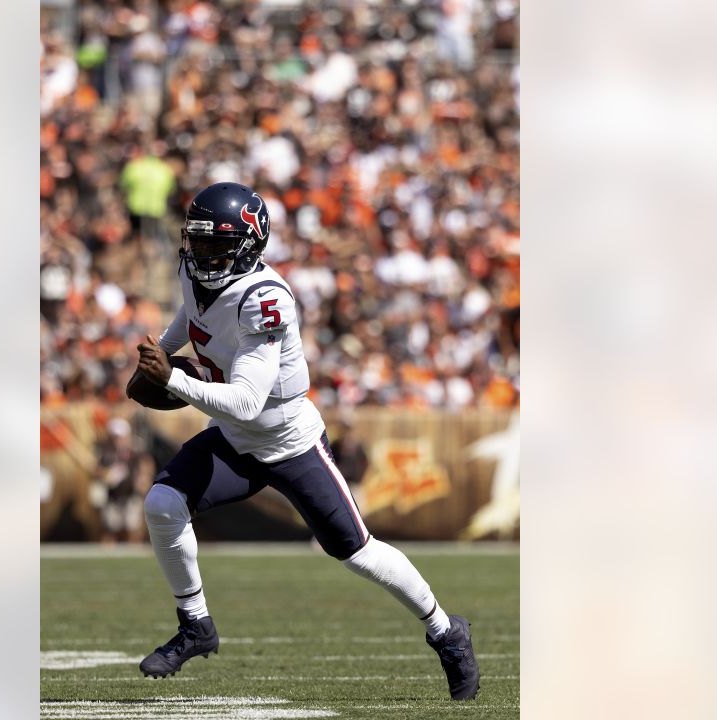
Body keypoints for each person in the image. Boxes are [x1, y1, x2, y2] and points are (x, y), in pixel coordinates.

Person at [132, 182, 480, 700]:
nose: (201, 254)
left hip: (286, 440)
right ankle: (196, 626)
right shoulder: (194, 271)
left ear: (249, 243)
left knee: (358, 553)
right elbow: (193, 313)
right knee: (161, 504)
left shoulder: (265, 299)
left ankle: (446, 631)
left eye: (214, 245)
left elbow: (248, 401)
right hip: (233, 439)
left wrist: (172, 380)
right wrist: (161, 349)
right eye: (197, 242)